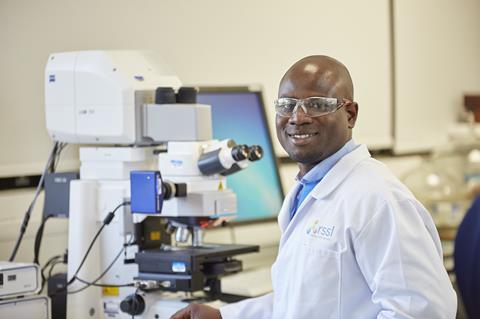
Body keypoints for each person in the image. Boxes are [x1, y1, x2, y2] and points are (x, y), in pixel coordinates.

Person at [171, 55, 457, 319]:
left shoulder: (379, 199)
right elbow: (300, 302)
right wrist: (225, 316)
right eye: (286, 105)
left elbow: (423, 311)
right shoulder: (308, 189)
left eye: (317, 104)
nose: (298, 117)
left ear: (351, 114)